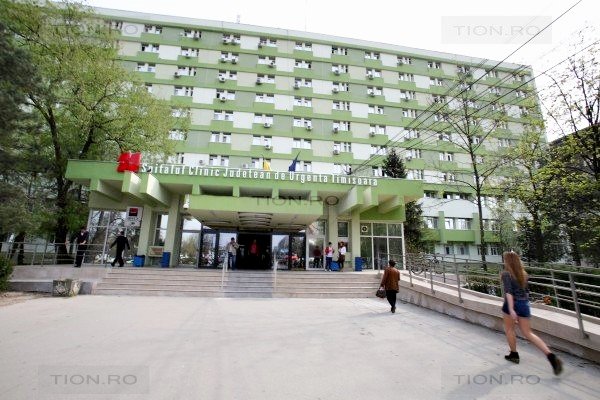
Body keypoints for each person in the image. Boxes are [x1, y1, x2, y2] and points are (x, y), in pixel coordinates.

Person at [501, 251, 563, 375]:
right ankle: (551, 356)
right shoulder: (524, 274)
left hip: (511, 304)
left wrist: (512, 309)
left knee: (509, 330)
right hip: (524, 304)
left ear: (507, 261)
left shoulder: (506, 274)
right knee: (528, 333)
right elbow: (526, 292)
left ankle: (514, 355)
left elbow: (509, 292)